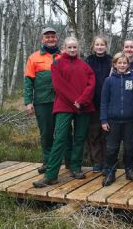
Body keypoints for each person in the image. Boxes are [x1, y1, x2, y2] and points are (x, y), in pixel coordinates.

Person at [33, 37, 95, 187]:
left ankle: (75, 167)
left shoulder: (85, 66)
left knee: (79, 138)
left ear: (78, 48)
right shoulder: (57, 64)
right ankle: (51, 175)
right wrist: (75, 100)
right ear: (64, 48)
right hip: (64, 106)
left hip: (84, 107)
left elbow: (91, 85)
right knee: (60, 138)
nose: (73, 50)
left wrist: (81, 101)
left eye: (75, 47)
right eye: (70, 47)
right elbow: (59, 86)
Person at [24, 27, 69, 174]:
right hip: (43, 102)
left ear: (57, 39)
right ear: (42, 39)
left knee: (66, 132)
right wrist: (28, 102)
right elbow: (28, 81)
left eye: (53, 36)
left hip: (63, 101)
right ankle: (48, 162)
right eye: (47, 37)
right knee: (46, 133)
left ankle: (70, 162)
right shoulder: (33, 58)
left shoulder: (64, 56)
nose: (50, 39)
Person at [101, 53, 133, 186]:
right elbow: (104, 102)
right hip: (112, 121)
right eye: (119, 63)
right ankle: (110, 171)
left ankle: (129, 169)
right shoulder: (109, 81)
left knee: (130, 147)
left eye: (125, 63)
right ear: (114, 64)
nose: (122, 65)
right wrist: (104, 120)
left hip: (130, 121)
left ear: (128, 65)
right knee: (112, 148)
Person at [84, 36, 112, 172]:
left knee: (107, 133)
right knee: (94, 133)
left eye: (102, 44)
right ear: (93, 46)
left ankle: (108, 162)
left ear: (106, 46)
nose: (100, 47)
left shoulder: (111, 61)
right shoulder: (88, 61)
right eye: (97, 44)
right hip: (92, 103)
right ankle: (97, 161)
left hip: (108, 104)